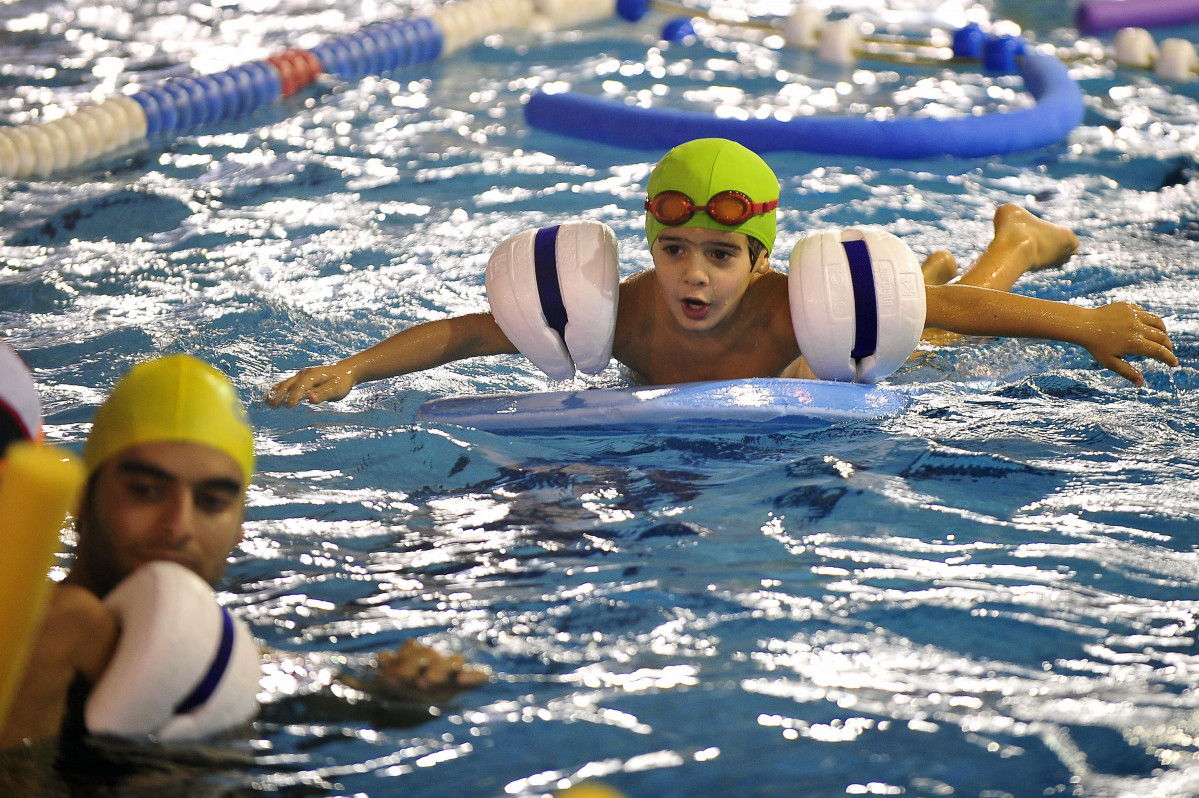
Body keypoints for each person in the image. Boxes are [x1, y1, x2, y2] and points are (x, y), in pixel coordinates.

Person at [266, 137, 1176, 408]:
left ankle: (1017, 239)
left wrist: (1085, 326)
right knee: (915, 317)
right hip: (767, 384)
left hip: (816, 358)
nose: (691, 278)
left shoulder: (788, 303)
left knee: (926, 330)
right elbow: (469, 333)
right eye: (673, 252)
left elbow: (951, 311)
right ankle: (1000, 240)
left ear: (761, 258)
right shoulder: (618, 313)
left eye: (719, 256)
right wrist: (354, 366)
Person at [1, 355, 484, 763]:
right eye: (145, 491)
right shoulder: (29, 630)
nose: (177, 526)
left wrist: (400, 692)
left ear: (238, 531)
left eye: (211, 501)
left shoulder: (232, 662)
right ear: (81, 502)